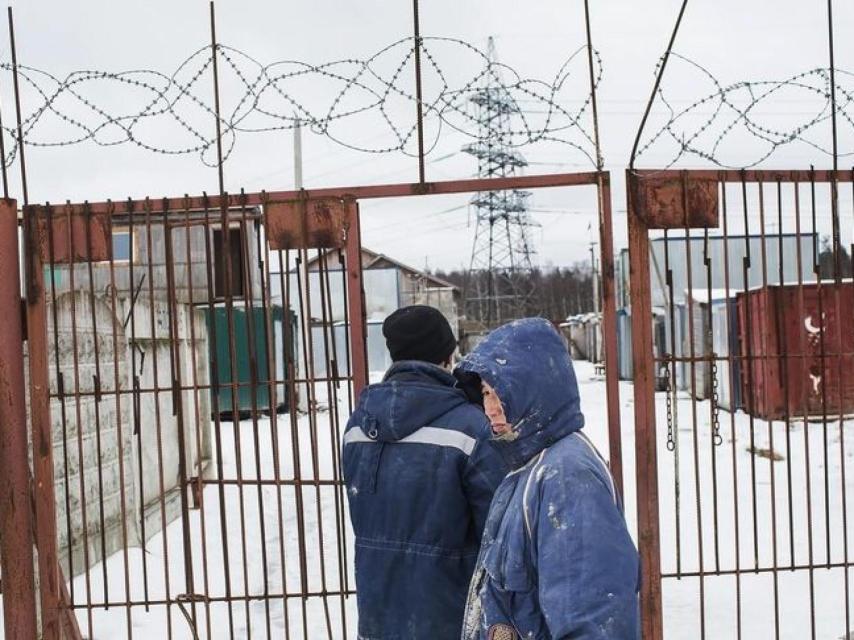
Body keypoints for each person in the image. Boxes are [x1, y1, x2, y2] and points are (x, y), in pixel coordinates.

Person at [456, 317, 640, 640]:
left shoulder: (567, 477)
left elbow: (593, 623)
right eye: (485, 393)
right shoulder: (528, 467)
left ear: (537, 387)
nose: (490, 408)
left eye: (500, 392)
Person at [342, 305, 507, 639]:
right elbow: (500, 533)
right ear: (448, 356)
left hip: (377, 618)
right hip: (450, 618)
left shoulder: (359, 425)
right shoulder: (471, 428)